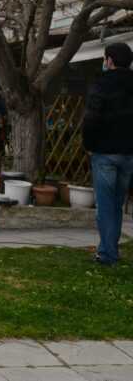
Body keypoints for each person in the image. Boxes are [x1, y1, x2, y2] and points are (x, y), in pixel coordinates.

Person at [82, 42, 133, 266]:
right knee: (117, 203)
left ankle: (107, 254)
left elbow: (91, 118)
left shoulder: (101, 83)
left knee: (105, 206)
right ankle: (109, 249)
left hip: (104, 152)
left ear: (109, 60)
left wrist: (89, 144)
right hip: (128, 153)